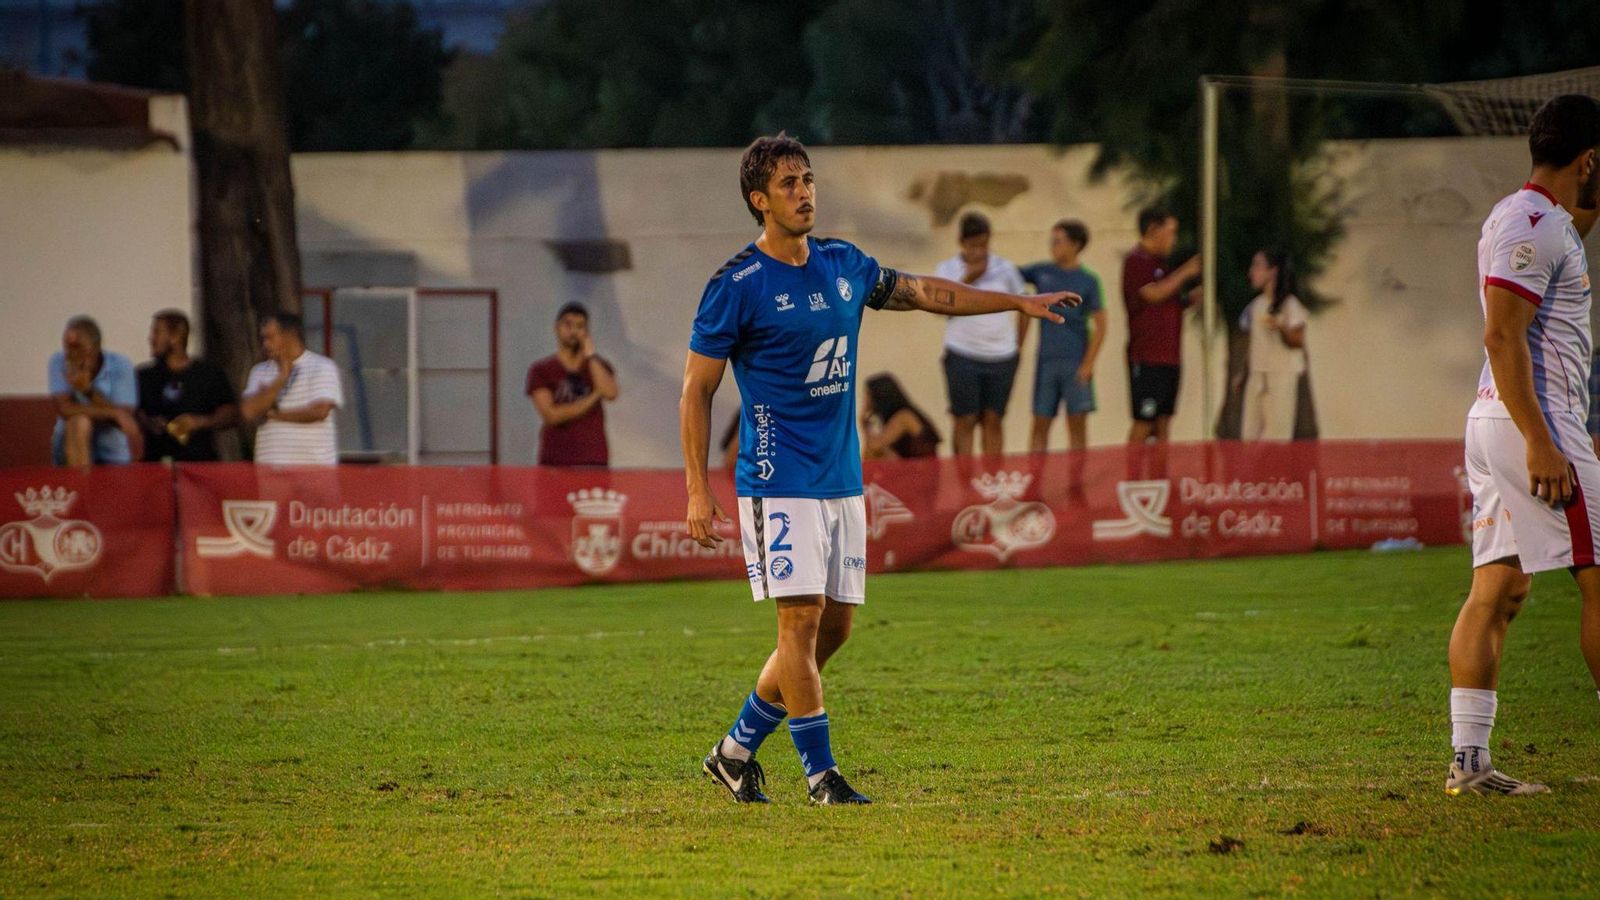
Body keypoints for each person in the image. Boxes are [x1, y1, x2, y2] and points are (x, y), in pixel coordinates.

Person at [681, 133, 1077, 805]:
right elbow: (697, 389)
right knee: (799, 624)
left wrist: (1015, 304)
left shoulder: (843, 264)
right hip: (777, 481)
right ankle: (821, 775)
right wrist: (697, 489)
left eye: (808, 179)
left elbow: (925, 292)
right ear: (759, 200)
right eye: (788, 184)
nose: (804, 192)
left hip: (840, 479)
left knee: (832, 631)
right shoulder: (736, 286)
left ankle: (734, 750)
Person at [1450, 94, 1600, 796]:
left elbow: (1577, 227)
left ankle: (1469, 764)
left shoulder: (1539, 219)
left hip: (1496, 418)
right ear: (1589, 159)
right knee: (1599, 577)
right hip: (1532, 422)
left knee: (1500, 588)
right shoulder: (1534, 225)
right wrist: (1543, 442)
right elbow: (1502, 335)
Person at [935, 212, 1027, 456]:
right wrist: (970, 278)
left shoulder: (1005, 268)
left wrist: (1019, 347)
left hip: (1002, 356)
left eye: (983, 245)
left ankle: (991, 482)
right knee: (964, 419)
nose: (979, 252)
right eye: (973, 246)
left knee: (993, 419)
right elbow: (940, 307)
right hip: (963, 354)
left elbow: (1024, 304)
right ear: (962, 242)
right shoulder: (947, 269)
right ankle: (966, 484)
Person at [1020, 220, 1107, 452]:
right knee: (1040, 423)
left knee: (1077, 425)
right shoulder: (1041, 272)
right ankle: (1035, 482)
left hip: (1075, 361)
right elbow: (1010, 276)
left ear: (1075, 245)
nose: (1053, 246)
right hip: (1047, 361)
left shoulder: (1089, 281)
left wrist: (1088, 363)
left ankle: (1077, 484)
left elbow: (1101, 325)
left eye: (1059, 242)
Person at [1122, 206, 1201, 443]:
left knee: (1163, 421)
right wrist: (1185, 272)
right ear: (1153, 230)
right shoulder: (1137, 261)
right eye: (1170, 231)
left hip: (1170, 356)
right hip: (1147, 357)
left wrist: (1190, 299)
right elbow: (1153, 294)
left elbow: (1169, 301)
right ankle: (1133, 478)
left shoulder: (1162, 264)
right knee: (1145, 420)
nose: (1173, 238)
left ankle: (1160, 477)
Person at [239, 313, 344, 466]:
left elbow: (319, 411)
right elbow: (248, 412)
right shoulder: (259, 371)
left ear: (290, 335)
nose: (265, 345)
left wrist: (274, 414)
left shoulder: (322, 366)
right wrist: (281, 378)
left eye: (270, 338)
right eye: (263, 339)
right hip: (271, 468)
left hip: (313, 469)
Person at [136, 309, 239, 461]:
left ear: (175, 337)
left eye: (157, 333)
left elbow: (230, 413)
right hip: (155, 467)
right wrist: (150, 423)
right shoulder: (144, 376)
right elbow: (134, 412)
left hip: (198, 466)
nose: (151, 339)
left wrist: (199, 422)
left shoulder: (208, 373)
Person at [526, 302, 619, 467]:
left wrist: (591, 355)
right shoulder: (541, 370)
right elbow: (551, 415)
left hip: (593, 458)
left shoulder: (598, 365)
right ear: (557, 327)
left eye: (580, 326)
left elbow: (610, 393)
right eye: (568, 325)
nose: (573, 331)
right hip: (555, 459)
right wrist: (594, 396)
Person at [1237, 250, 1309, 441]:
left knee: (1276, 435)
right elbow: (1253, 341)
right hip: (1258, 373)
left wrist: (1281, 327)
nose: (1252, 272)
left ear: (1273, 271)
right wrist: (1243, 373)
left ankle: (1274, 471)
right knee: (1249, 435)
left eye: (1257, 266)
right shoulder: (1256, 305)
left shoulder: (1290, 304)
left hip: (1281, 373)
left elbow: (1298, 340)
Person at [47, 315, 137, 466]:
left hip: (112, 452)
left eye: (79, 347)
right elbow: (64, 409)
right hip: (68, 448)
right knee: (79, 421)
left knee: (81, 418)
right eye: (68, 347)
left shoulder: (120, 364)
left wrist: (88, 391)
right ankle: (81, 486)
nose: (72, 354)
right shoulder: (58, 361)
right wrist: (113, 412)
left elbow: (124, 419)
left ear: (96, 347)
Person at [859, 373, 940, 459]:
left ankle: (859, 472)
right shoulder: (896, 417)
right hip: (910, 464)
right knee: (875, 452)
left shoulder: (904, 417)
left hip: (922, 468)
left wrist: (864, 423)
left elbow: (875, 445)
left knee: (875, 452)